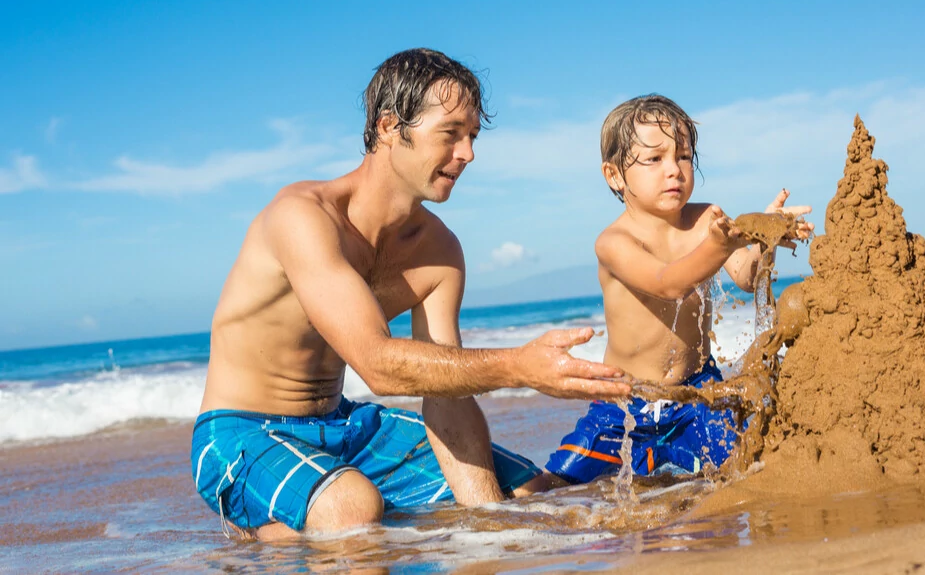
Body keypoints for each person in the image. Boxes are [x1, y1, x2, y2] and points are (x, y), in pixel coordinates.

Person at [191, 48, 631, 540]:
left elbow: (446, 394)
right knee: (355, 510)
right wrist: (518, 366)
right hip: (240, 434)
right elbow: (377, 364)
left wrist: (493, 528)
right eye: (451, 134)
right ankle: (257, 537)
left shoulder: (439, 251)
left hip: (345, 430)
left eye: (472, 137)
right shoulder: (304, 217)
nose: (468, 154)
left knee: (530, 495)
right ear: (388, 127)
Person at [544, 94, 813, 484]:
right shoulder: (613, 242)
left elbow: (745, 275)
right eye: (654, 159)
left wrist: (763, 237)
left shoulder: (707, 218)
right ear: (615, 175)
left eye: (683, 156)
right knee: (554, 488)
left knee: (753, 468)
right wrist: (721, 245)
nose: (674, 170)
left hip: (699, 395)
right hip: (626, 403)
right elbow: (668, 283)